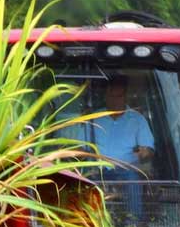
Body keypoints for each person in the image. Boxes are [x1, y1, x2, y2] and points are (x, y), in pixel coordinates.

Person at [59, 77, 154, 219]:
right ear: (105, 96)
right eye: (111, 96)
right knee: (78, 179)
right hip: (96, 170)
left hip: (125, 171)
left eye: (119, 96)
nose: (114, 100)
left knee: (133, 179)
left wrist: (144, 153)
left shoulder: (137, 119)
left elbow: (149, 150)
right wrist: (79, 153)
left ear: (125, 96)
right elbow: (79, 148)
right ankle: (79, 223)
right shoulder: (93, 118)